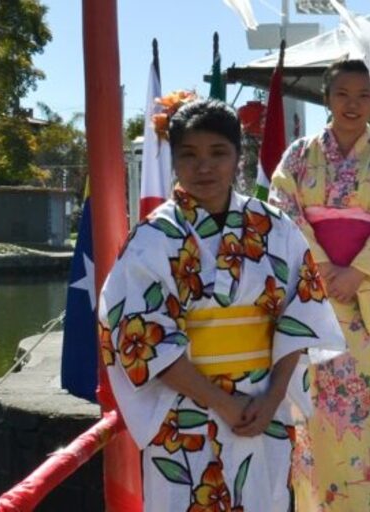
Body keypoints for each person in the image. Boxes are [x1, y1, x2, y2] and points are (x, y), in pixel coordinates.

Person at [97, 98, 345, 512]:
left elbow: (301, 317)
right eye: (189, 155)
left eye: (218, 153)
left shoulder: (274, 228)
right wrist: (222, 402)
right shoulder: (152, 238)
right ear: (173, 161)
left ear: (237, 157)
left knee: (263, 499)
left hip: (263, 407)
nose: (204, 167)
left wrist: (271, 400)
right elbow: (138, 339)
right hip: (184, 411)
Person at [268, 59, 370, 511]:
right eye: (342, 94)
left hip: (368, 305)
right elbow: (283, 213)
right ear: (326, 98)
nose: (352, 104)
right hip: (317, 302)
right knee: (314, 415)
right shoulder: (298, 156)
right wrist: (319, 268)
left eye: (363, 95)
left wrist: (356, 272)